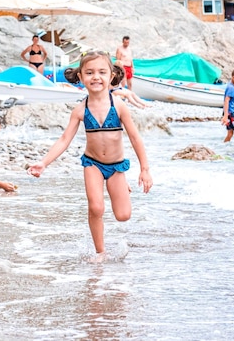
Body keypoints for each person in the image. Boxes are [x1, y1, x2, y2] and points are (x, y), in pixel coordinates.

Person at [27, 51, 153, 255]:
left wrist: (144, 169)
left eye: (102, 72)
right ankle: (100, 252)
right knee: (96, 208)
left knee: (123, 215)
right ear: (80, 77)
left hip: (116, 165)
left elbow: (135, 138)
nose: (96, 77)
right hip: (92, 163)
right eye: (90, 72)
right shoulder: (80, 110)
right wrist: (44, 162)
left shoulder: (119, 106)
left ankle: (121, 183)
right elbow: (64, 139)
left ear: (111, 76)